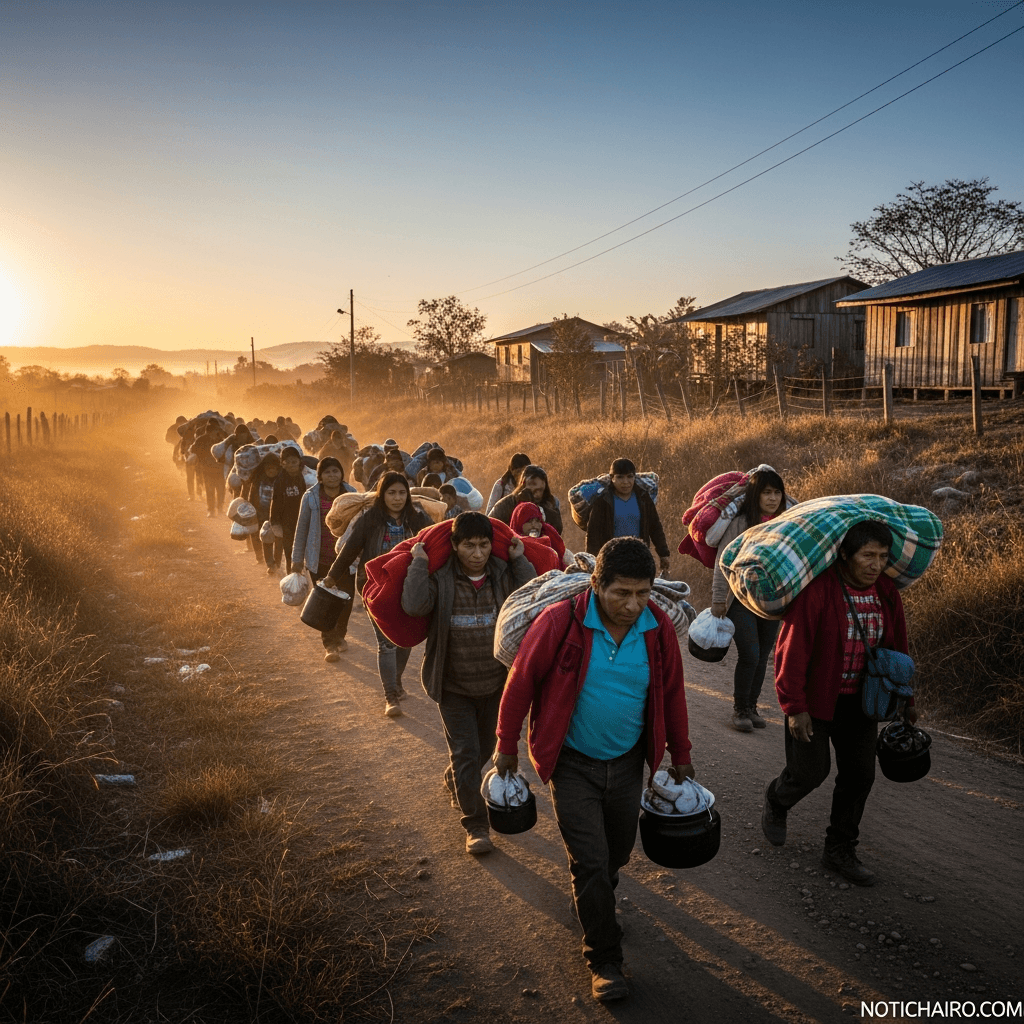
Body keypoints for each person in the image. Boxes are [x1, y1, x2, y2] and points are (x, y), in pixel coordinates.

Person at [494, 537, 694, 1003]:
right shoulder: (560, 622)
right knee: (590, 860)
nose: (632, 605)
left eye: (642, 593)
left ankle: (596, 897)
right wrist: (505, 746)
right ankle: (604, 958)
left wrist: (680, 752)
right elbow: (520, 681)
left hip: (627, 762)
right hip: (572, 764)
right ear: (596, 584)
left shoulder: (656, 627)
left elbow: (673, 693)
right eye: (621, 593)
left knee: (617, 853)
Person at [761, 520, 915, 887]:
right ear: (845, 555)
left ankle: (840, 848)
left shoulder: (887, 592)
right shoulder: (818, 591)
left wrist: (907, 698)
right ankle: (777, 799)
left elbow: (898, 648)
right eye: (867, 555)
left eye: (881, 556)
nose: (875, 563)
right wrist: (794, 706)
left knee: (860, 775)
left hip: (863, 703)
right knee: (810, 773)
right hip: (816, 702)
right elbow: (791, 652)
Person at [401, 512, 536, 855]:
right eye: (469, 545)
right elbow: (414, 606)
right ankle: (476, 826)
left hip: (495, 684)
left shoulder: (501, 576)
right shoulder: (441, 580)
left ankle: (456, 779)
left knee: (483, 750)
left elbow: (532, 599)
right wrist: (418, 563)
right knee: (466, 752)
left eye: (484, 544)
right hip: (453, 686)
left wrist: (519, 560)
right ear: (455, 546)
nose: (478, 552)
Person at [321, 472, 433, 713]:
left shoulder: (417, 518)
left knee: (405, 640)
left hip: (409, 588)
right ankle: (390, 696)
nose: (397, 498)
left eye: (402, 492)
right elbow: (349, 550)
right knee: (386, 643)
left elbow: (434, 545)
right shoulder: (369, 519)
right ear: (382, 495)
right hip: (375, 587)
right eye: (391, 492)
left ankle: (397, 681)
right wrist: (332, 576)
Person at [710, 467, 788, 731]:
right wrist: (719, 598)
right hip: (740, 599)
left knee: (763, 653)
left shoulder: (785, 523)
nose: (773, 498)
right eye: (767, 492)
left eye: (777, 492)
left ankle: (752, 707)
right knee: (751, 655)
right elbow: (723, 560)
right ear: (756, 494)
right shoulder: (741, 523)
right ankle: (740, 709)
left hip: (772, 601)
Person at [292, 457, 357, 662]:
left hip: (346, 558)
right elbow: (301, 529)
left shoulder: (352, 495)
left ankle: (340, 635)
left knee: (346, 600)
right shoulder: (310, 497)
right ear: (320, 476)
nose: (332, 475)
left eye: (335, 471)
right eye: (327, 472)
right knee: (325, 602)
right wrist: (296, 559)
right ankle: (330, 643)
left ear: (341, 473)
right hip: (319, 558)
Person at [584, 459, 669, 574]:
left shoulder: (643, 498)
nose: (625, 482)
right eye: (620, 477)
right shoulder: (603, 501)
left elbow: (655, 527)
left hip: (640, 558)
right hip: (611, 560)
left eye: (629, 477)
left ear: (634, 477)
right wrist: (592, 562)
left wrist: (663, 554)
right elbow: (593, 533)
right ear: (612, 478)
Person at [489, 465, 563, 535]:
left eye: (540, 490)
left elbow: (557, 530)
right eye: (533, 488)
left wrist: (539, 510)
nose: (537, 495)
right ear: (523, 485)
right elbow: (490, 527)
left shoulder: (550, 504)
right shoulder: (507, 503)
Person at [269, 447, 309, 574]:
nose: (292, 465)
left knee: (306, 551)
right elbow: (275, 502)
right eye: (288, 462)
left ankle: (306, 580)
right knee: (290, 553)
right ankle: (292, 582)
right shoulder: (280, 481)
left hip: (304, 519)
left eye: (294, 462)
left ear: (299, 462)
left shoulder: (304, 478)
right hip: (287, 523)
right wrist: (275, 522)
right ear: (282, 464)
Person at [242, 453, 284, 573]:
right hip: (261, 514)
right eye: (268, 468)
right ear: (264, 469)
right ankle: (268, 562)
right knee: (265, 538)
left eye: (274, 468)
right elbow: (252, 496)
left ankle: (276, 562)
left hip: (277, 515)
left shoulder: (282, 480)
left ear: (278, 469)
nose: (271, 471)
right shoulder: (258, 480)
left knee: (277, 539)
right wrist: (250, 510)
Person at [510, 499, 570, 566]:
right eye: (529, 521)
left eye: (537, 521)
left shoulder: (552, 542)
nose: (534, 525)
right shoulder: (512, 548)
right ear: (518, 524)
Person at [190, 422, 227, 517]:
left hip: (218, 469)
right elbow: (193, 450)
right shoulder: (201, 440)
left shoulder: (219, 440)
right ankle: (211, 510)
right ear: (209, 431)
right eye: (214, 431)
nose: (215, 433)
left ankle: (219, 508)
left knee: (220, 490)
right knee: (210, 490)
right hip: (207, 469)